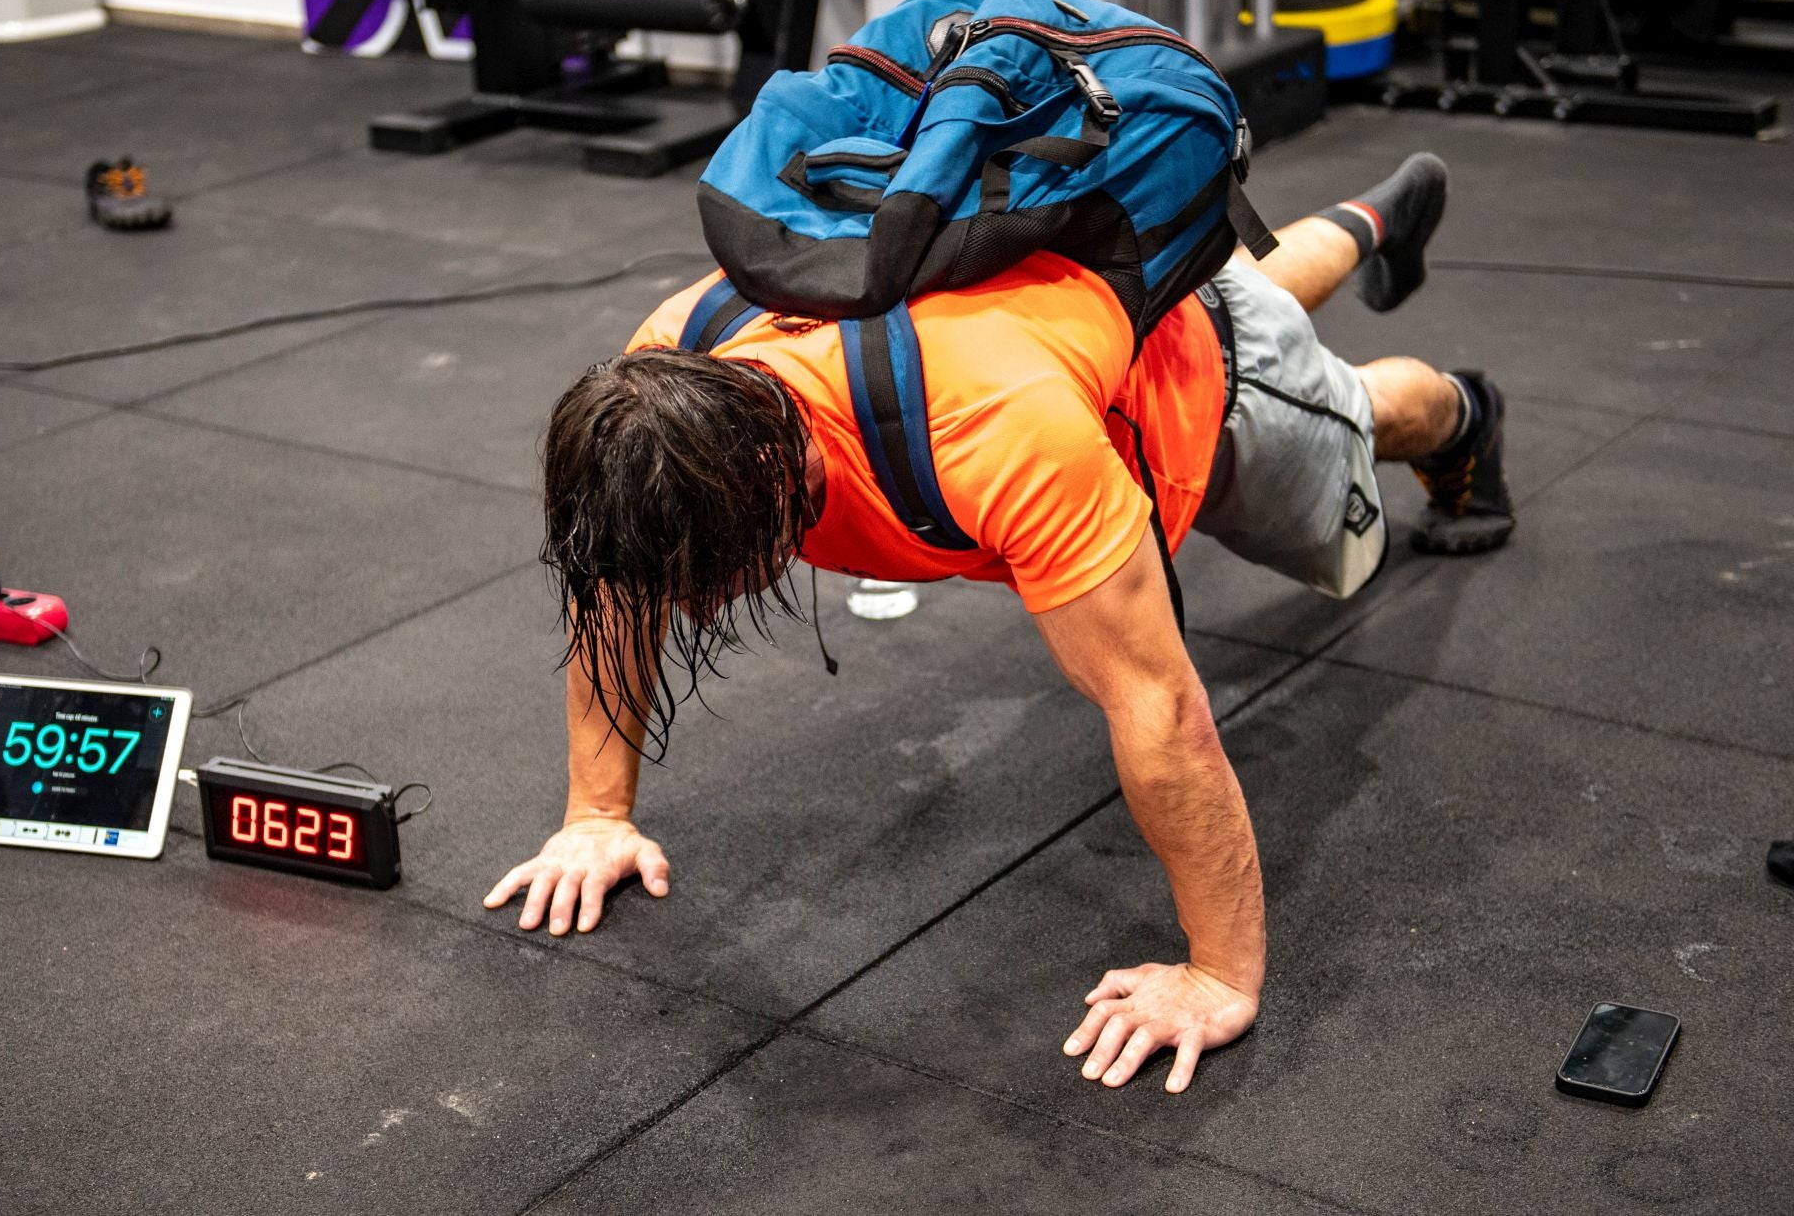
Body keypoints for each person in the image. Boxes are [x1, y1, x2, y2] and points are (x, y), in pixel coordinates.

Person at [483, 153, 1513, 1093]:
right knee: (1250, 287)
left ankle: (1468, 412)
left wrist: (1216, 971)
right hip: (1094, 301)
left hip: (1207, 374)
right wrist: (595, 815)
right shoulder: (672, 375)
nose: (698, 605)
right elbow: (618, 588)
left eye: (712, 579)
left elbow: (1162, 705)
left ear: (769, 469)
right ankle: (1375, 219)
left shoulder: (990, 432)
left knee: (1343, 408)